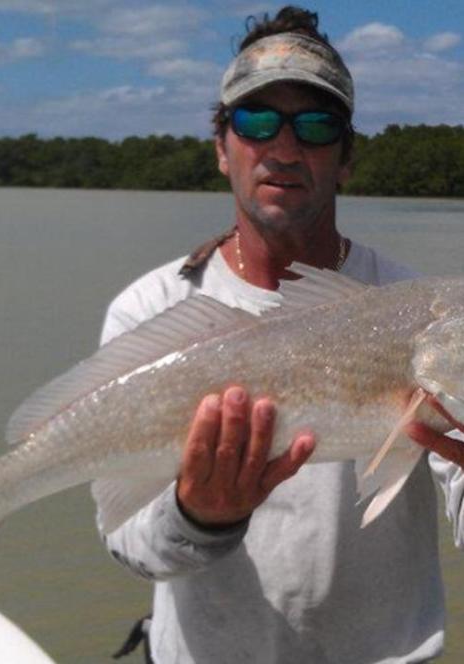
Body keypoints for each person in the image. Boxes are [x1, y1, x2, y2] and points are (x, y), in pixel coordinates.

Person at [95, 6, 464, 663]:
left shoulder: (417, 308)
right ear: (221, 147)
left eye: (316, 125)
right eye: (256, 121)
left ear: (347, 158)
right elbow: (129, 546)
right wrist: (199, 516)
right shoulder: (149, 309)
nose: (285, 149)